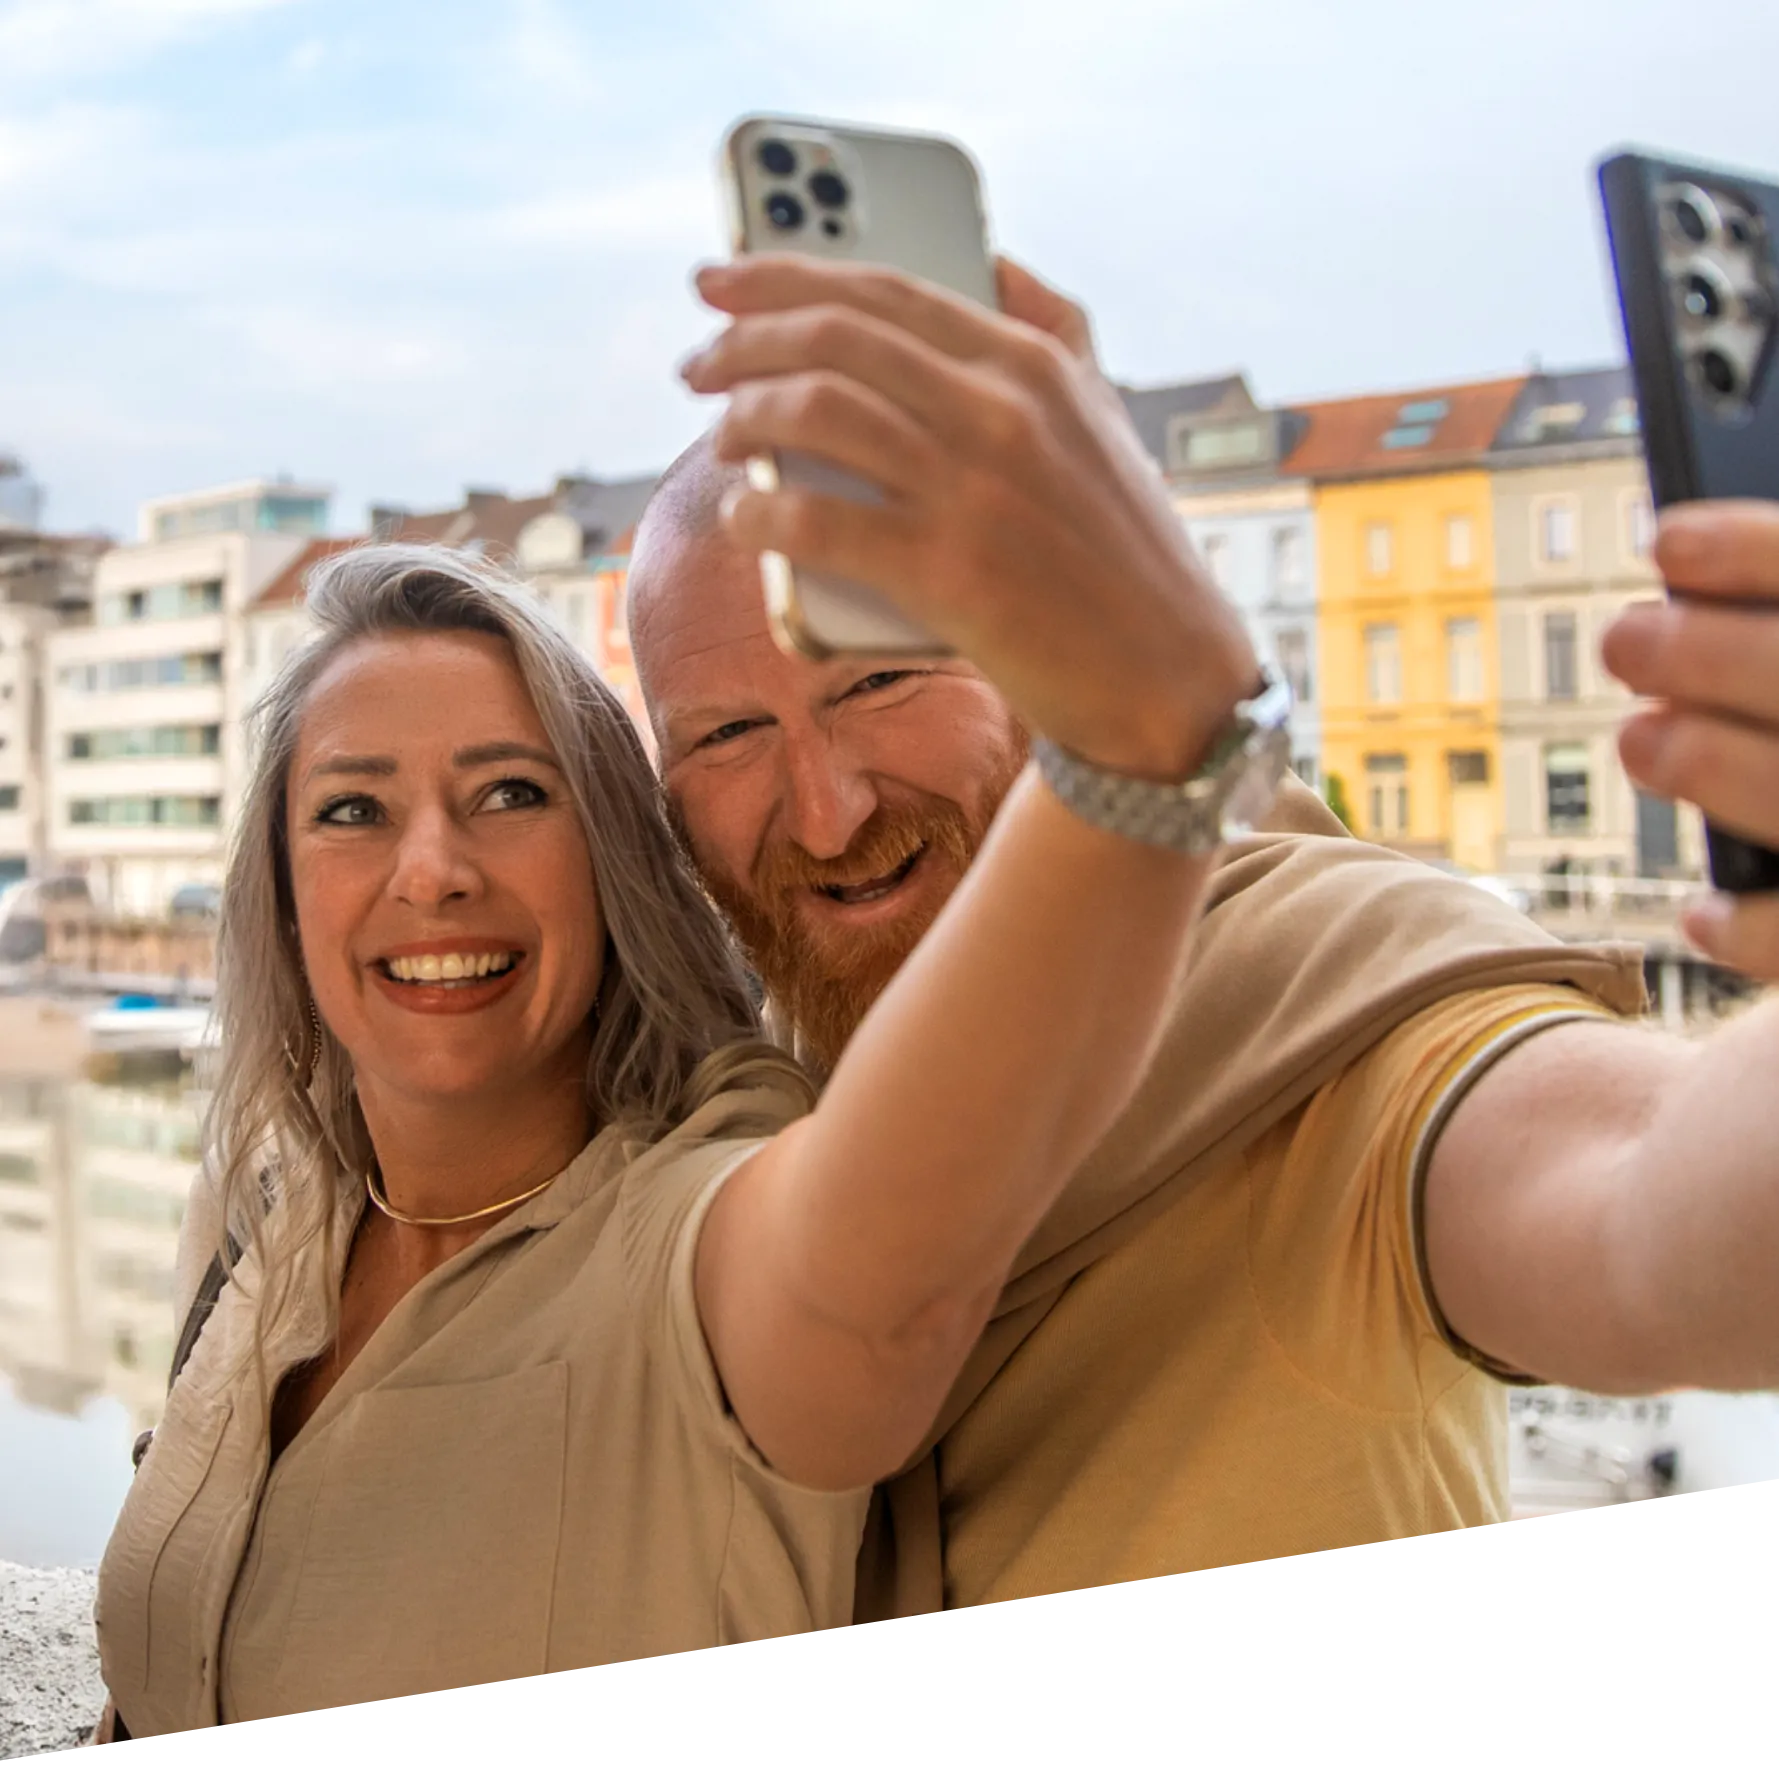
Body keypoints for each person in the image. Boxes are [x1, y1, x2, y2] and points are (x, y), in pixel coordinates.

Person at [90, 310, 1264, 1736]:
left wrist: (1139, 742)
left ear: (614, 860)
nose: (432, 868)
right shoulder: (262, 1216)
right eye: (352, 810)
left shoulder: (696, 1218)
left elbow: (869, 1292)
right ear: (281, 897)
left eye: (510, 792)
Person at [629, 248, 1779, 1618]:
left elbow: (1647, 1218)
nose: (828, 812)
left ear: (1039, 663)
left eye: (879, 682)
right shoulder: (716, 1109)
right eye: (727, 735)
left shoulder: (1312, 973)